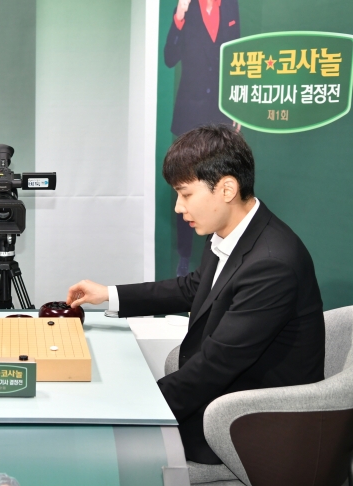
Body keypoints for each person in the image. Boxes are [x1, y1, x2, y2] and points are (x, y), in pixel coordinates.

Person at [66, 125, 324, 464]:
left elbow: (216, 365)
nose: (178, 207)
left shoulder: (272, 265)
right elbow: (194, 287)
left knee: (114, 454)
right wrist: (109, 294)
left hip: (252, 423)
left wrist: (131, 410)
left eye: (185, 194)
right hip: (222, 394)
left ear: (227, 188)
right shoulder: (231, 231)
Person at [164, 0, 241, 276]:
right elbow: (170, 57)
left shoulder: (230, 5)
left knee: (220, 186)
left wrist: (236, 107)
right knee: (187, 186)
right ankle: (184, 257)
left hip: (220, 113)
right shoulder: (185, 9)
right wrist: (180, 14)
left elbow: (237, 59)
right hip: (189, 115)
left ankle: (218, 256)